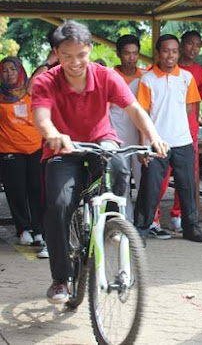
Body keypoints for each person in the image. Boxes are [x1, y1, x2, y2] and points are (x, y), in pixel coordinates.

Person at [31, 20, 169, 304]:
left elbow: (134, 108)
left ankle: (111, 223)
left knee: (117, 163)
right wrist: (54, 134)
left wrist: (154, 137)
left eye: (81, 55)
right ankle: (60, 279)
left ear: (90, 50)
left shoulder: (105, 76)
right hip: (63, 148)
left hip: (99, 140)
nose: (75, 63)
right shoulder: (47, 80)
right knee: (58, 206)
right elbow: (42, 117)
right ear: (57, 53)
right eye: (67, 56)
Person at [134, 34, 202, 244]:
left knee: (187, 186)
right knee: (151, 187)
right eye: (166, 50)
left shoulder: (186, 77)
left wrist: (178, 125)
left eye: (174, 51)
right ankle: (141, 228)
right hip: (157, 143)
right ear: (158, 52)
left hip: (182, 141)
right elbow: (143, 114)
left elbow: (190, 106)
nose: (170, 55)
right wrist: (143, 146)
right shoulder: (147, 79)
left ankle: (191, 227)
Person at [0, 57, 44, 247]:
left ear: (21, 71)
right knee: (16, 191)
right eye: (4, 70)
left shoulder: (32, 91)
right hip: (9, 150)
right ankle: (23, 229)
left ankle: (39, 230)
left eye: (12, 69)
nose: (8, 73)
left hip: (36, 148)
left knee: (38, 190)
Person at [111, 34, 144, 222]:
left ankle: (144, 221)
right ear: (118, 54)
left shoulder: (145, 78)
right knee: (121, 183)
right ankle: (126, 221)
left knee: (142, 182)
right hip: (117, 139)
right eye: (127, 53)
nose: (131, 58)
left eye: (135, 53)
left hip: (139, 140)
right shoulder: (110, 77)